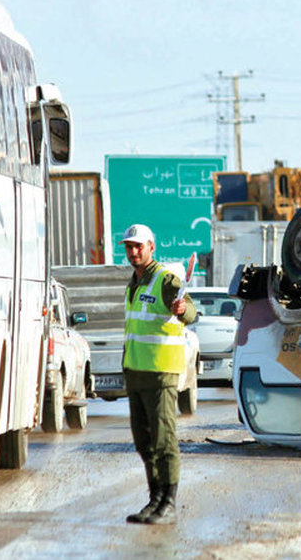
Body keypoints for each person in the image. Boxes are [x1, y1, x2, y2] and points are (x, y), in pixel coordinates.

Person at [120, 223, 197, 525]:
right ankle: (154, 500)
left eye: (139, 246)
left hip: (161, 372)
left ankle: (169, 502)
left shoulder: (166, 279)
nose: (133, 251)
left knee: (164, 440)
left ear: (152, 247)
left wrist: (182, 310)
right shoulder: (133, 283)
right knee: (144, 441)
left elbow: (189, 311)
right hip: (136, 372)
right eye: (129, 246)